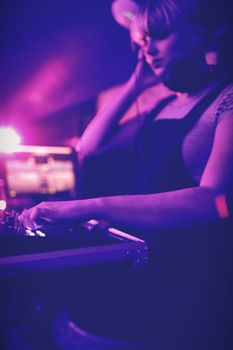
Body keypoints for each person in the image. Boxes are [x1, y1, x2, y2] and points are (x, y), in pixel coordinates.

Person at [19, 0, 233, 348]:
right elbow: (89, 147)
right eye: (144, 40)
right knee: (54, 310)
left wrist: (89, 206)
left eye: (160, 35)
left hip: (204, 279)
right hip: (156, 265)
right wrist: (135, 85)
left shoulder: (226, 100)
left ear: (197, 33)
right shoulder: (161, 105)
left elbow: (214, 201)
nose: (147, 47)